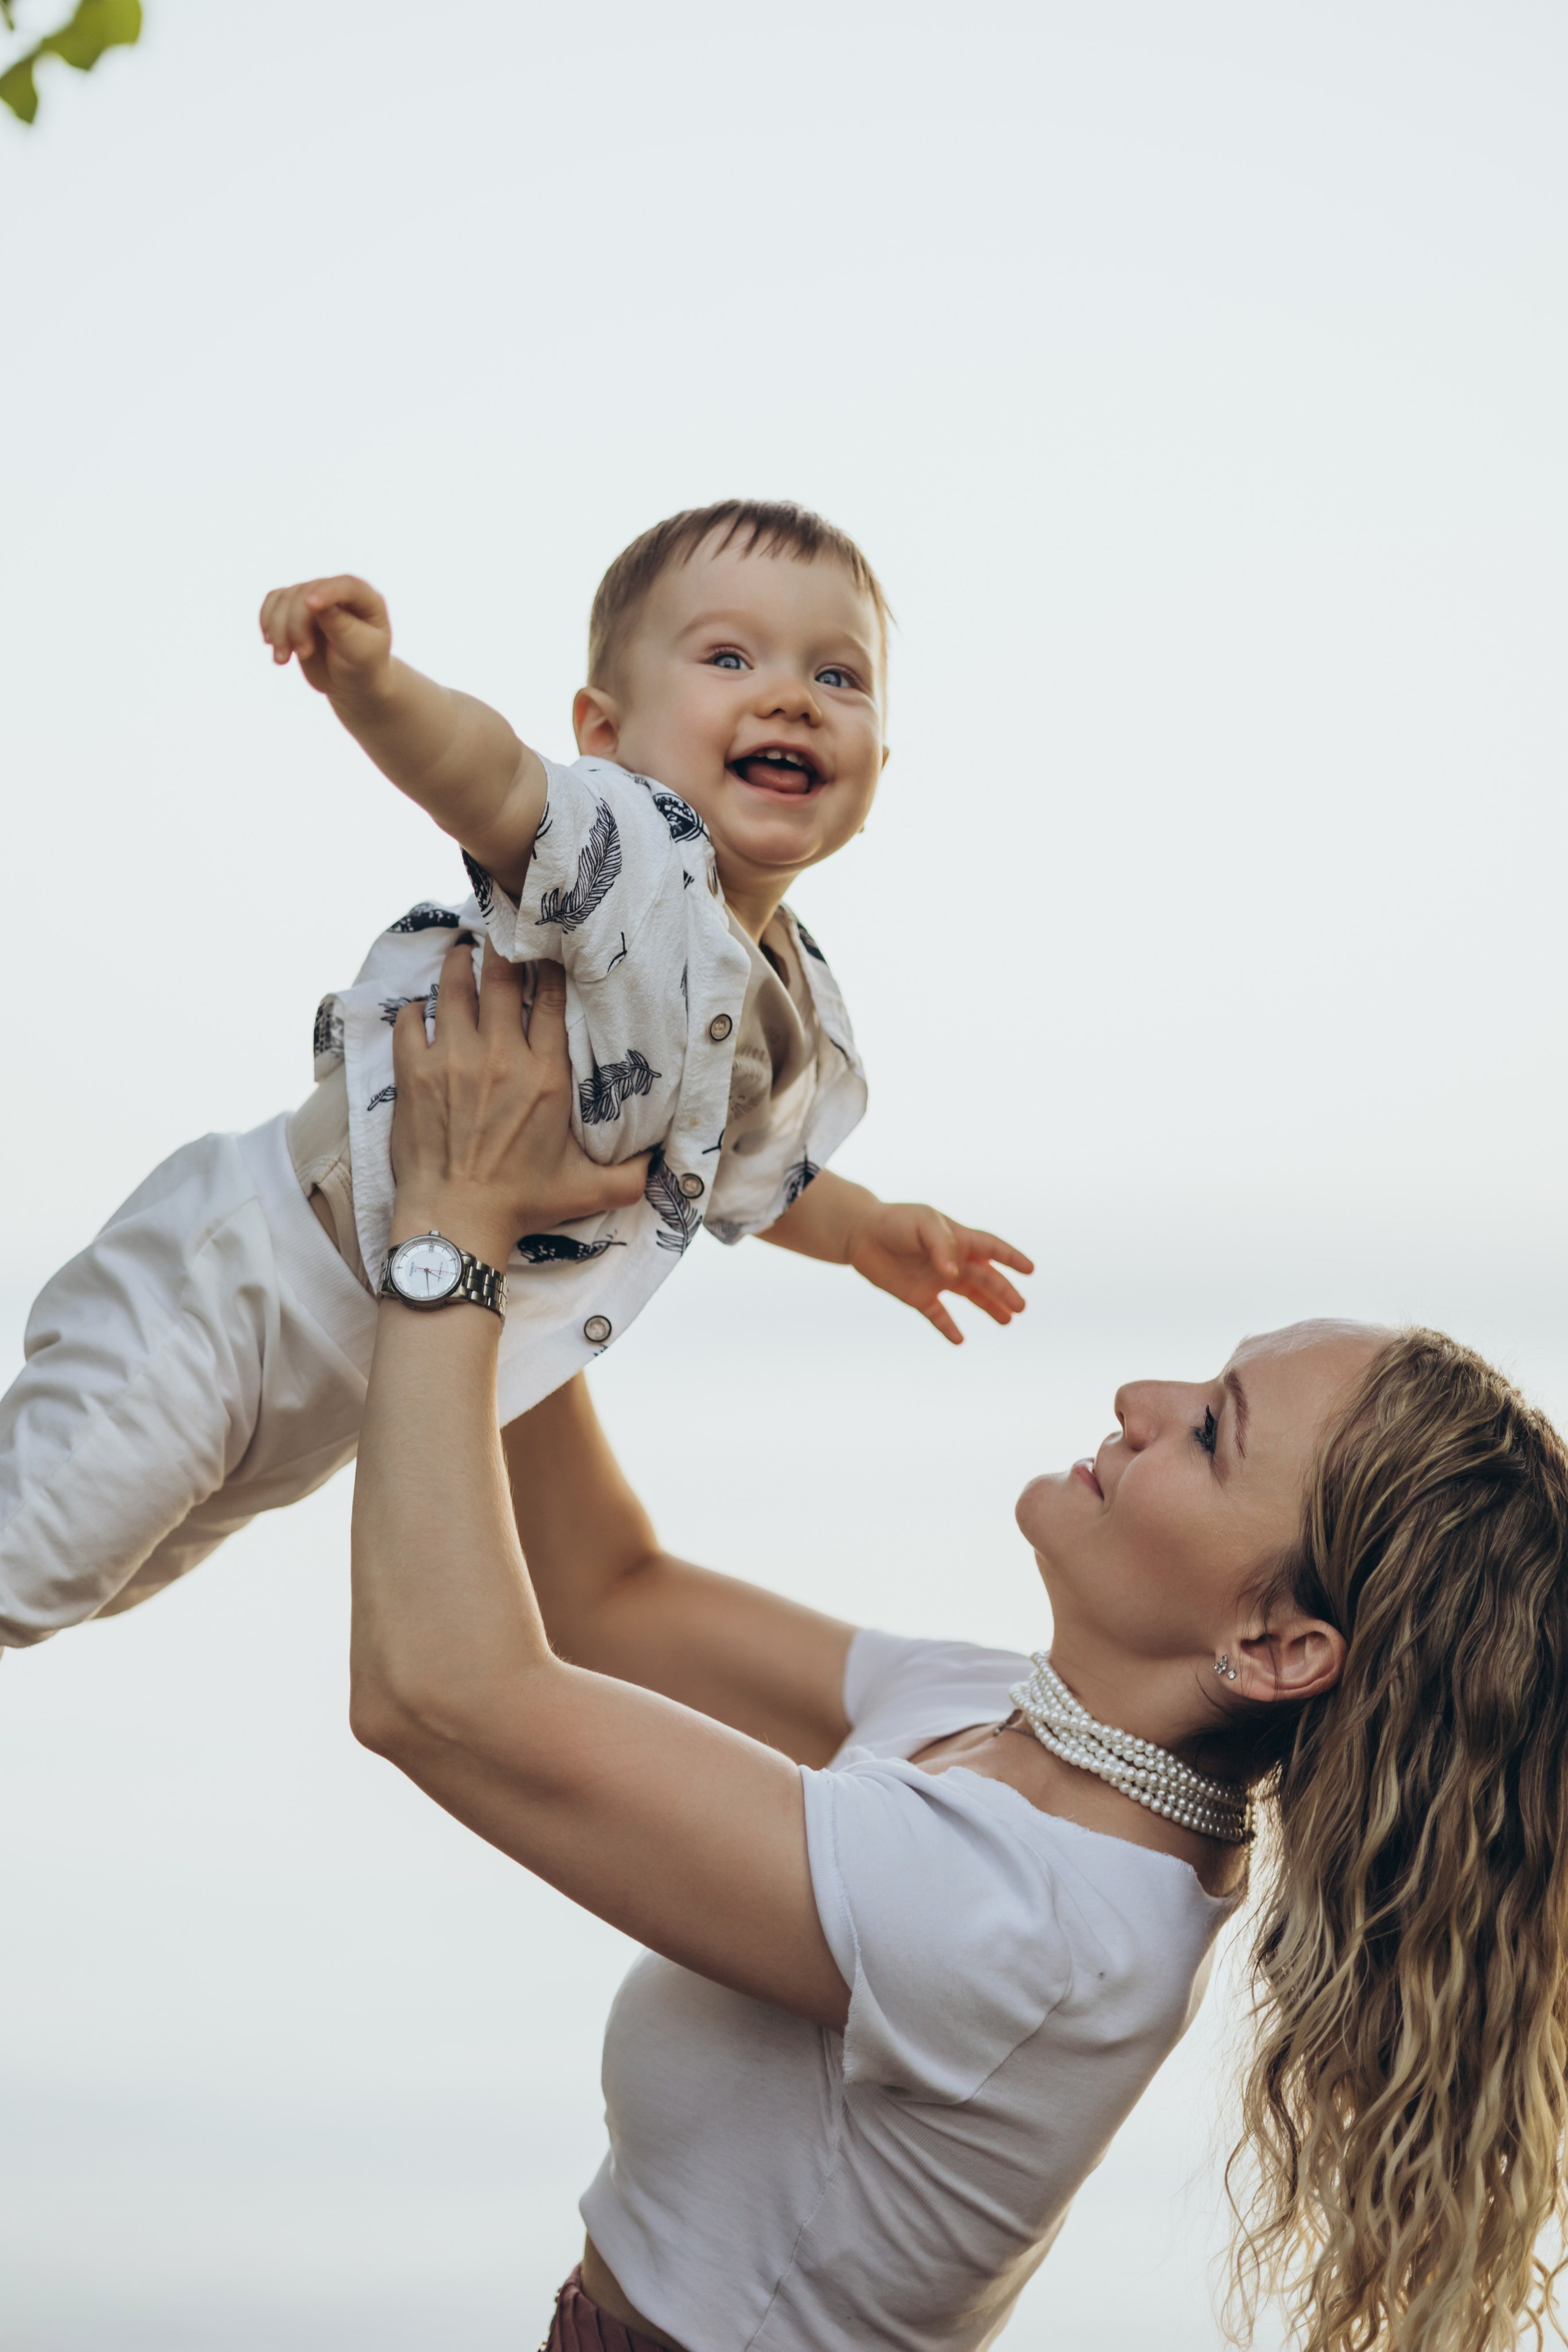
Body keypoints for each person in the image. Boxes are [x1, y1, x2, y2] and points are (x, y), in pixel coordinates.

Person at [352, 938, 1568, 2352]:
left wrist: (442, 1226)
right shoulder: (1010, 1728)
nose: (1136, 1395)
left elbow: (440, 1697)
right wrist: (533, 1238)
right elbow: (603, 1591)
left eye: (1209, 1429)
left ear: (1279, 1645)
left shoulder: (1023, 1918)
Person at [0, 499, 1030, 1652]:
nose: (791, 695)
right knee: (24, 1566)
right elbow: (486, 777)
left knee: (80, 1586)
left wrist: (864, 1231)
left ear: (879, 762)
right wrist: (376, 688)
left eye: (839, 676)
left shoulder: (783, 1002)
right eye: (730, 658)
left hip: (354, 1379)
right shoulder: (625, 845)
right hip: (246, 1281)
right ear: (604, 729)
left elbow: (746, 1175)